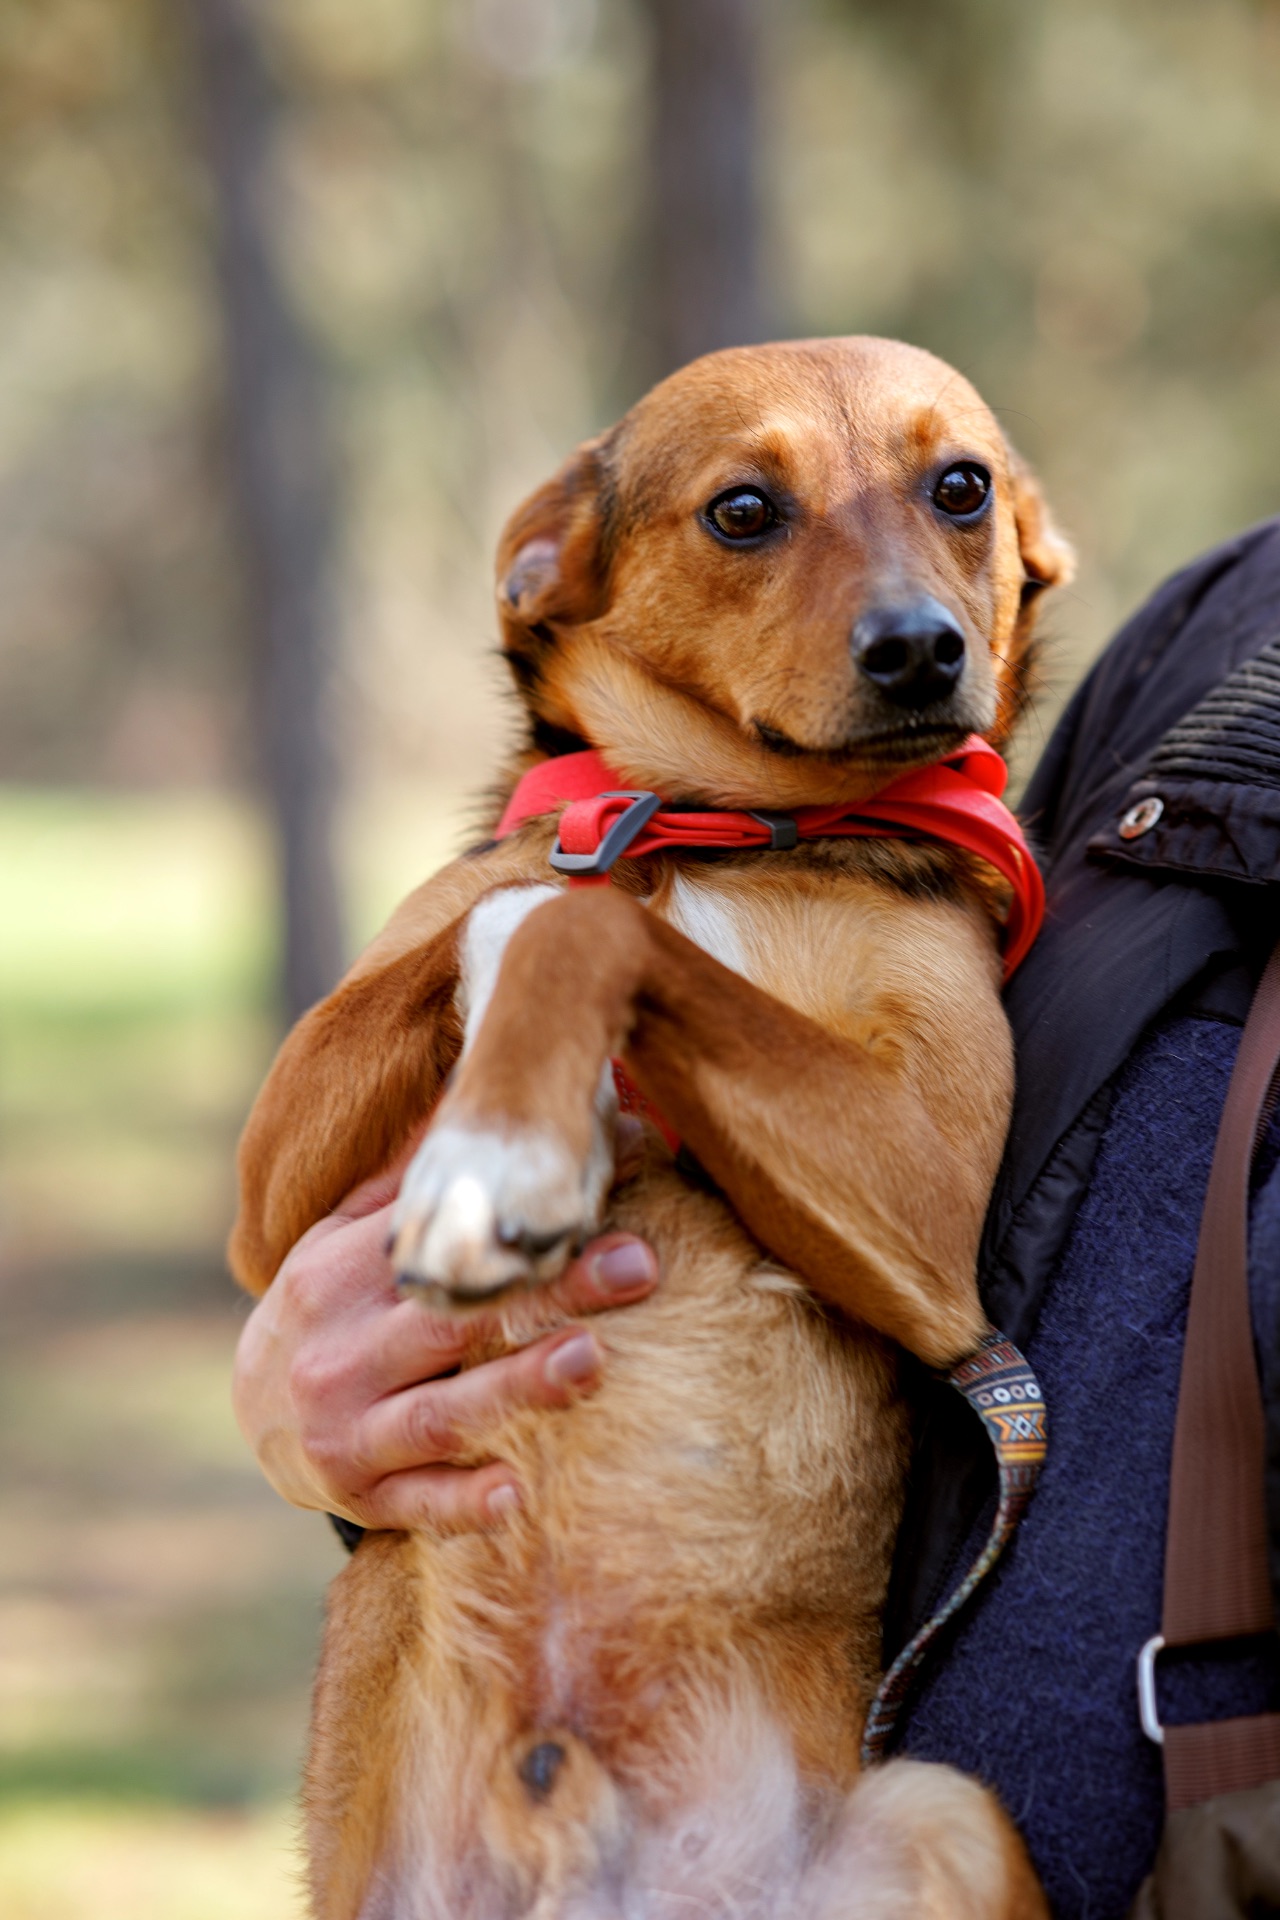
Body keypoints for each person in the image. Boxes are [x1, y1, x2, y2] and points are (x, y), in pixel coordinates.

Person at [233, 517, 1280, 1917]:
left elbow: (921, 1248)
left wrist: (608, 966)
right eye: (747, 516)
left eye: (958, 496)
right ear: (552, 568)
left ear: (1026, 544)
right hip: (459, 1757)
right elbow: (277, 1230)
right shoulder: (1215, 629)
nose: (906, 610)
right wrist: (314, 1391)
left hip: (838, 1834)